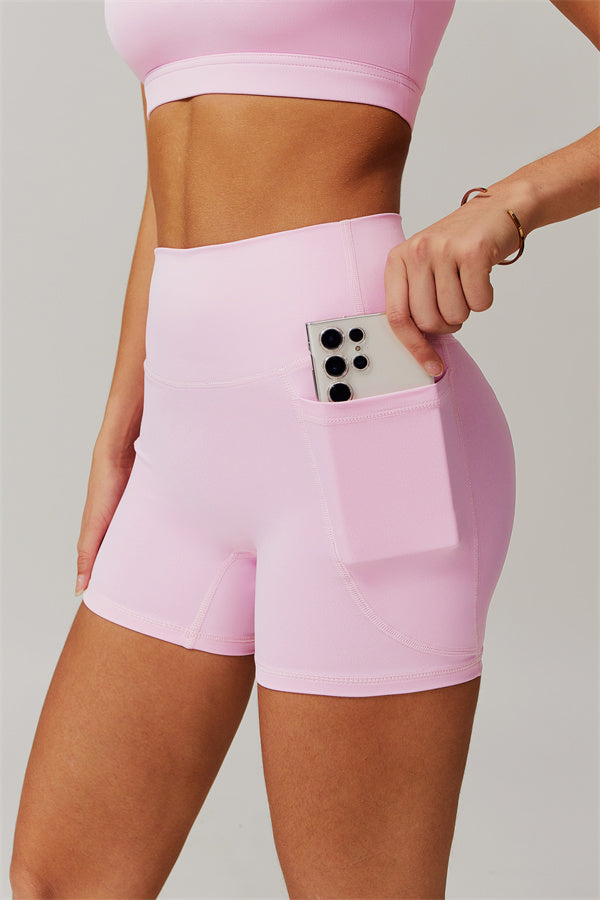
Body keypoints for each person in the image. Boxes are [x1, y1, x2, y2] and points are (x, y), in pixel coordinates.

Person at [9, 1, 599, 897]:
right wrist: (121, 424)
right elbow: (175, 155)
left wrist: (510, 205)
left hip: (360, 396)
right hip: (183, 442)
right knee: (60, 882)